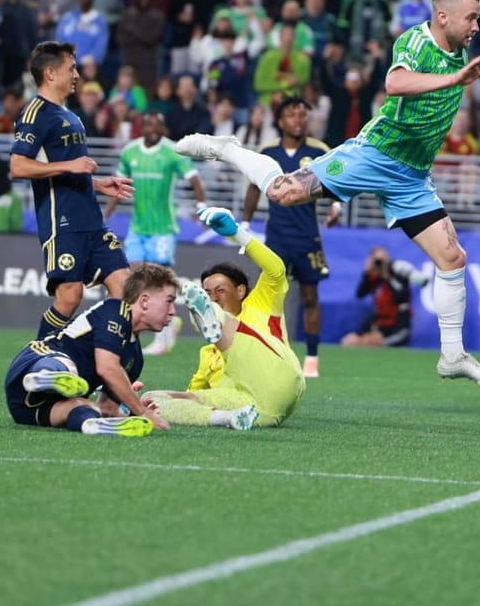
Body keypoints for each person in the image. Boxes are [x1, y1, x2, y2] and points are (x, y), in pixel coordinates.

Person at [175, 0, 480, 384]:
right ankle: (226, 148)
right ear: (442, 18)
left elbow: (455, 3)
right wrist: (457, 77)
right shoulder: (416, 40)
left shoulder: (457, 30)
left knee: (452, 257)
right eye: (472, 19)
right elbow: (397, 83)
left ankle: (452, 356)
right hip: (375, 154)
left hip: (411, 175)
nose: (476, 27)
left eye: (477, 19)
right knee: (284, 192)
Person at [10, 41, 134, 337]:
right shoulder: (34, 114)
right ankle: (38, 358)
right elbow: (18, 166)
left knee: (125, 288)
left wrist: (98, 184)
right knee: (69, 297)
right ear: (51, 73)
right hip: (62, 221)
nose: (77, 74)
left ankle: (108, 366)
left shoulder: (71, 115)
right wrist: (71, 167)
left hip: (91, 218)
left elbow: (69, 167)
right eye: (72, 68)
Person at [141, 206, 304, 430]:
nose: (214, 297)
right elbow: (194, 395)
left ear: (240, 290)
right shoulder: (208, 353)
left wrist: (236, 234)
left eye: (220, 290)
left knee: (225, 324)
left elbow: (276, 270)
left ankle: (207, 315)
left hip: (278, 375)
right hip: (254, 407)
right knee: (154, 400)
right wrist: (139, 403)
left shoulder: (262, 303)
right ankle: (227, 419)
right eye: (207, 294)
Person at [3, 262, 177, 437]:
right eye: (169, 301)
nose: (172, 311)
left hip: (25, 409)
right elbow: (107, 367)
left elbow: (107, 408)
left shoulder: (135, 359)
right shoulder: (116, 310)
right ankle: (46, 376)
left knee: (84, 406)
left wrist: (130, 414)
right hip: (32, 364)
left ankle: (92, 425)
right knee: (67, 366)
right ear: (145, 300)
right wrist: (141, 411)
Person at [242, 96, 338, 378]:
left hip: (308, 237)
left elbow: (338, 181)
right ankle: (267, 350)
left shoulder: (319, 150)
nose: (298, 119)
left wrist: (335, 207)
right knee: (270, 297)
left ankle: (311, 358)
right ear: (281, 121)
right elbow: (253, 187)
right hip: (277, 237)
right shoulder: (268, 152)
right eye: (292, 115)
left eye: (303, 115)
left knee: (310, 296)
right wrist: (245, 222)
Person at [103, 111, 207, 356]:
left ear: (163, 129)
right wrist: (105, 216)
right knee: (135, 279)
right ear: (142, 126)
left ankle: (165, 332)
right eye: (148, 123)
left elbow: (195, 180)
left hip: (163, 229)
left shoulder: (173, 151)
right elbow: (119, 187)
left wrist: (201, 207)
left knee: (161, 281)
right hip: (138, 228)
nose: (152, 128)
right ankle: (135, 330)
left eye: (157, 124)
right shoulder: (130, 152)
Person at [342, 245, 429, 348]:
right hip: (380, 326)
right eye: (377, 259)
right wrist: (366, 273)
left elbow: (401, 296)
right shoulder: (374, 278)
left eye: (382, 259)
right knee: (349, 341)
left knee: (372, 344)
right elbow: (360, 294)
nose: (380, 263)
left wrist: (386, 275)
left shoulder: (397, 275)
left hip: (398, 328)